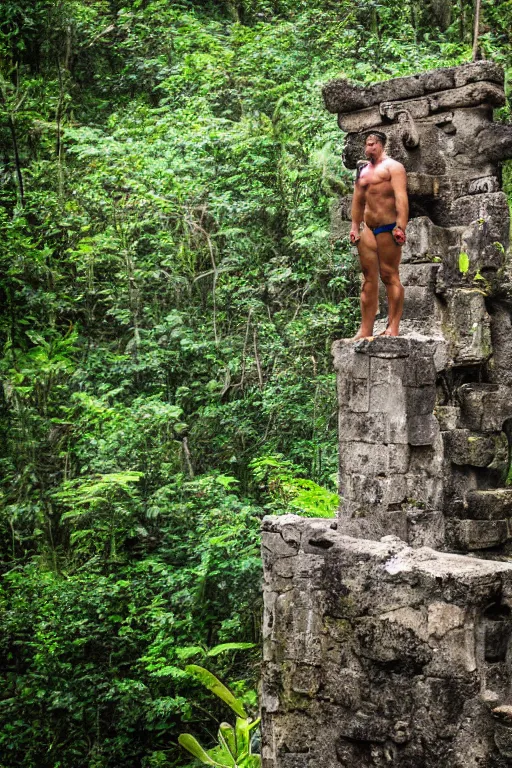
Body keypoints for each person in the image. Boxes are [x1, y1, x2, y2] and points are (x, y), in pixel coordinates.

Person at [349, 131, 409, 339]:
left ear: (381, 145)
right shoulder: (362, 172)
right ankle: (365, 330)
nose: (368, 149)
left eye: (372, 144)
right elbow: (357, 201)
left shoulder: (394, 167)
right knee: (368, 280)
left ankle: (393, 327)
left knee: (389, 275)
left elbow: (401, 197)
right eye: (366, 145)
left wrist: (400, 225)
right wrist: (354, 226)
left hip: (387, 226)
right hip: (368, 228)